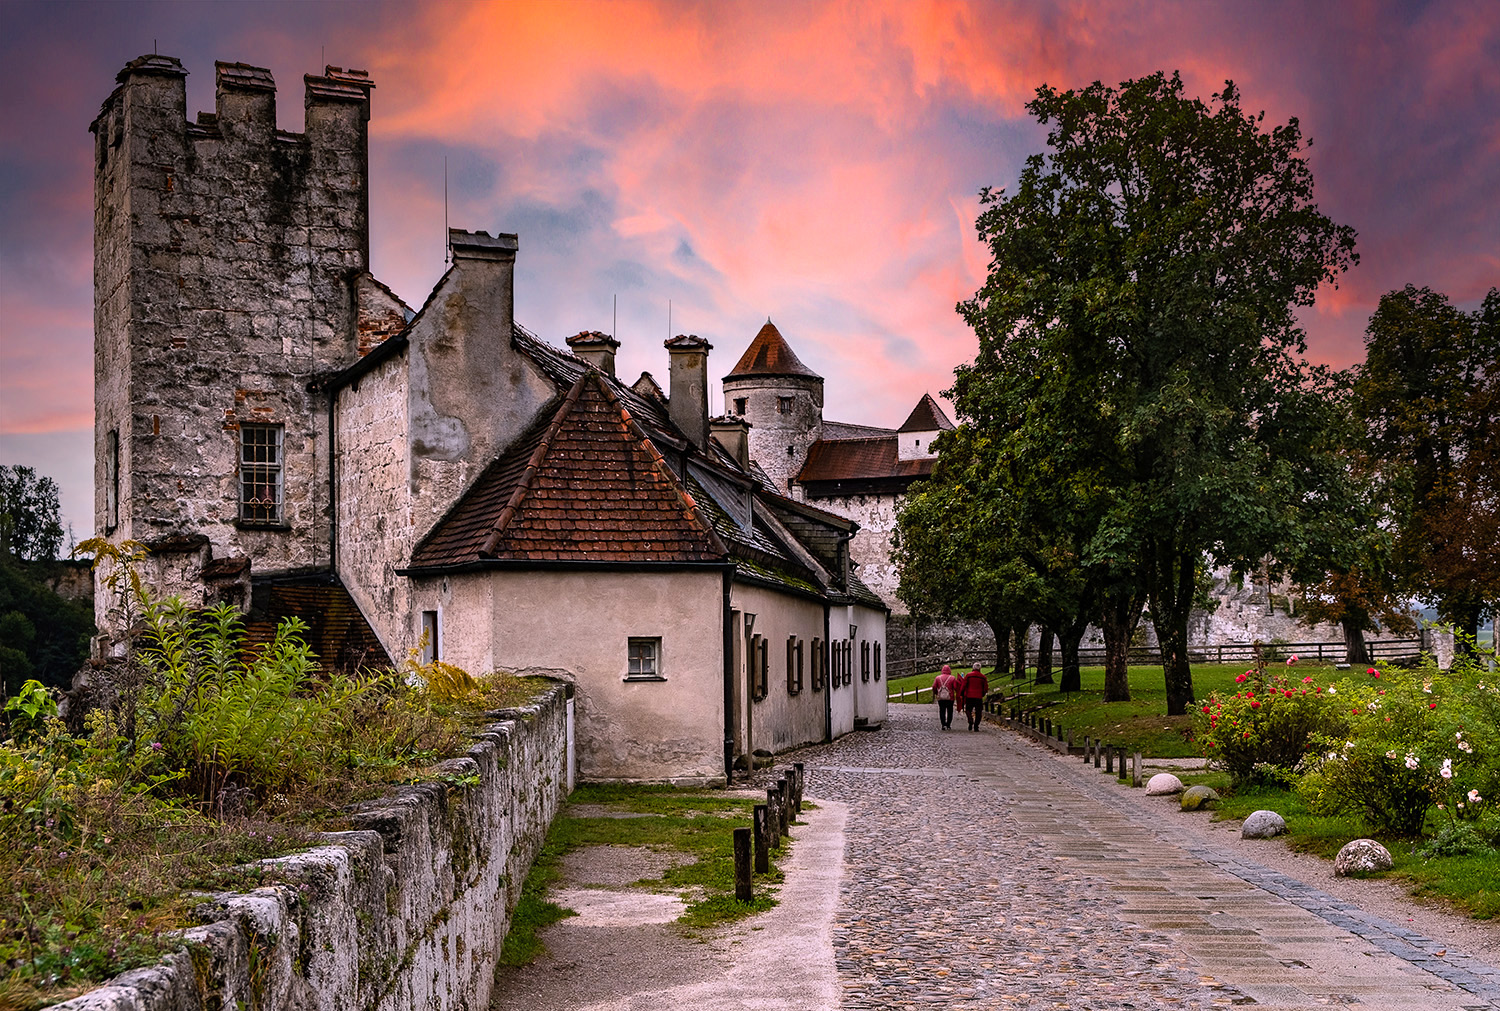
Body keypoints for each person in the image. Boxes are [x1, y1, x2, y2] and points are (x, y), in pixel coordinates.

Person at [960, 663, 989, 731]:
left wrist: (961, 693)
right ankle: (976, 725)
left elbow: (963, 685)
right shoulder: (983, 677)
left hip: (969, 696)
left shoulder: (968, 676)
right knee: (978, 711)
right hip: (978, 696)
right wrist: (983, 694)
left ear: (973, 668)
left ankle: (970, 720)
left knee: (968, 709)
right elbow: (985, 688)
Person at [932, 664, 961, 729]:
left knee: (942, 710)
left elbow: (934, 686)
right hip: (950, 697)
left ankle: (943, 724)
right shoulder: (952, 678)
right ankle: (948, 724)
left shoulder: (938, 678)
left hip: (941, 697)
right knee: (950, 711)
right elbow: (955, 687)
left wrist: (936, 693)